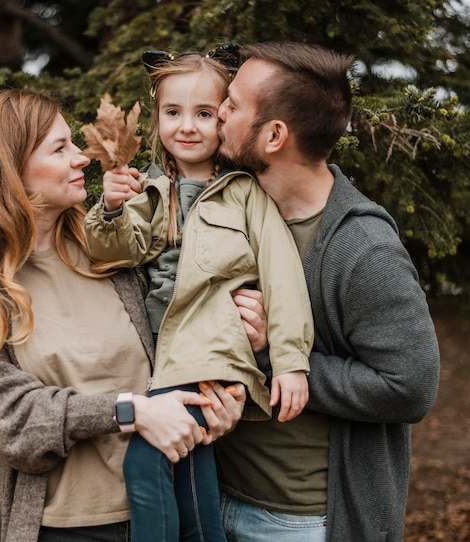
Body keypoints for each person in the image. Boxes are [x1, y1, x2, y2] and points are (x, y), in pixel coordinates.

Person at [0, 88, 248, 542]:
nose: (82, 158)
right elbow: (12, 420)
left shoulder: (111, 249)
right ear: (8, 170)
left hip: (171, 508)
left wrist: (220, 391)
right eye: (60, 148)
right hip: (67, 528)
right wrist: (129, 411)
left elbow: (182, 335)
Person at [213, 41, 441, 542]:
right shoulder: (230, 208)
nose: (217, 113)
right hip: (214, 499)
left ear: (273, 135)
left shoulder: (363, 249)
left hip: (300, 523)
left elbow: (411, 387)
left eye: (231, 105)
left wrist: (275, 354)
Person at [84, 47, 313, 541]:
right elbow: (112, 254)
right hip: (161, 358)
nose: (187, 126)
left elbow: (282, 273)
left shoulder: (245, 193)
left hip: (210, 353)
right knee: (191, 479)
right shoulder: (147, 189)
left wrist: (292, 360)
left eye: (204, 114)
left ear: (224, 119)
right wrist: (109, 206)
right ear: (157, 118)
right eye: (173, 113)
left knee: (145, 465)